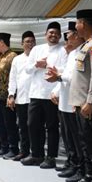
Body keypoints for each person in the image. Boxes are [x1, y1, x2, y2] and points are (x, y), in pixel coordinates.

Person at [22, 22, 67, 168]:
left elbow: (64, 72)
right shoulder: (37, 49)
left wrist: (57, 88)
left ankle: (51, 157)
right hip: (35, 93)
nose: (53, 35)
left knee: (52, 126)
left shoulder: (63, 50)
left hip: (51, 94)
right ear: (46, 34)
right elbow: (27, 69)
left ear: (60, 35)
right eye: (50, 32)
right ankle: (36, 154)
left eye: (56, 33)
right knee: (33, 124)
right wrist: (37, 65)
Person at [49, 22, 85, 179]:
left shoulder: (82, 52)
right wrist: (55, 89)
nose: (66, 39)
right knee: (67, 134)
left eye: (68, 36)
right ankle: (72, 162)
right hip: (64, 100)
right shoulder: (71, 54)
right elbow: (65, 73)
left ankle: (80, 166)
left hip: (74, 101)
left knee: (77, 137)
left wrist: (59, 76)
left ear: (76, 36)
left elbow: (75, 77)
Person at [68, 9, 92, 182]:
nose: (75, 26)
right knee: (86, 141)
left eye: (77, 22)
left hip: (90, 105)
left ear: (84, 24)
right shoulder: (86, 45)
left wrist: (90, 101)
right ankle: (89, 175)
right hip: (82, 103)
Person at [7, 31, 36, 161]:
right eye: (27, 41)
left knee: (34, 126)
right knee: (23, 126)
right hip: (21, 98)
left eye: (32, 41)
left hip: (35, 97)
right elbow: (12, 78)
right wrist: (11, 95)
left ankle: (35, 152)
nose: (30, 44)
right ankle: (24, 151)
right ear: (22, 44)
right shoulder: (17, 59)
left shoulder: (38, 57)